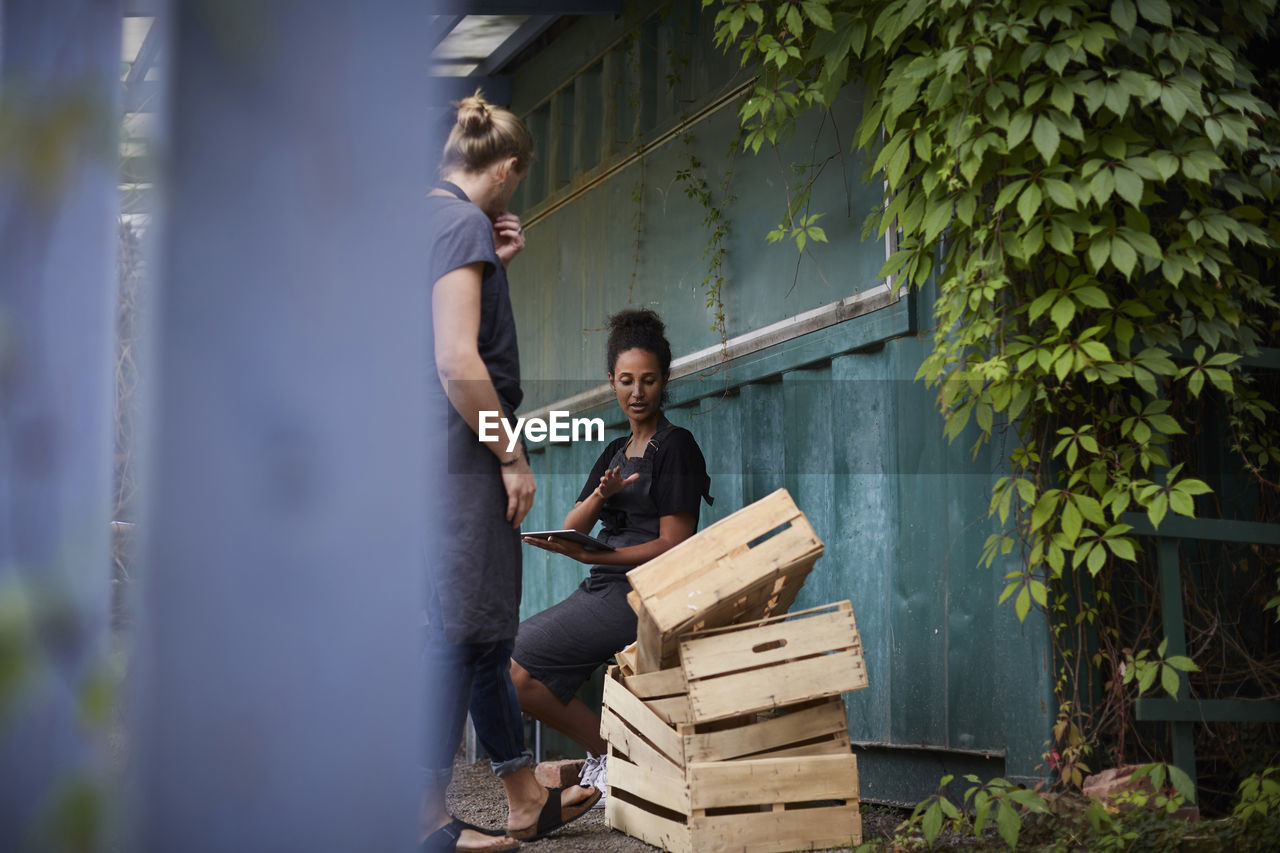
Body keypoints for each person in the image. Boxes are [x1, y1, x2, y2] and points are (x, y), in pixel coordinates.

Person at [421, 92, 599, 853]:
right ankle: (424, 817)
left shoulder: (421, 220)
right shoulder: (461, 223)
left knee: (485, 634)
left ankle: (523, 795)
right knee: (457, 634)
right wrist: (512, 454)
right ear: (506, 168)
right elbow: (459, 361)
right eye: (514, 182)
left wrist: (494, 264)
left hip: (426, 458)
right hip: (460, 459)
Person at [512, 308, 713, 800]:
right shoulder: (616, 451)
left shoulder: (677, 448)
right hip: (604, 586)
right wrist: (602, 495)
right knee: (511, 668)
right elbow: (573, 526)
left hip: (644, 594)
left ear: (664, 380)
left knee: (512, 666)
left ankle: (611, 756)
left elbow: (674, 546)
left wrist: (595, 559)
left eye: (648, 380)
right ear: (611, 382)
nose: (637, 392)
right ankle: (611, 754)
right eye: (626, 381)